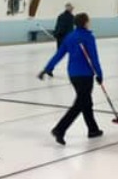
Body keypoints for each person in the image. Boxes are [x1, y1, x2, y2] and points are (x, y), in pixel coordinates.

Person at [38, 12, 103, 145]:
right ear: (85, 23)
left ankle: (93, 129)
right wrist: (99, 74)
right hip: (85, 75)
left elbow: (59, 55)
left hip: (73, 75)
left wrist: (47, 68)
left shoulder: (70, 37)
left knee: (86, 102)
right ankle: (59, 129)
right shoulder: (88, 37)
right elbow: (94, 57)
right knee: (80, 103)